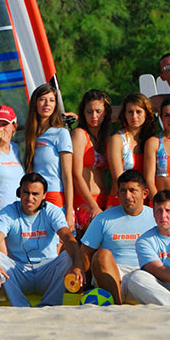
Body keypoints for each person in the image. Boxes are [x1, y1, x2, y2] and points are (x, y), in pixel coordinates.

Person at [0, 171, 84, 307]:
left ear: (44, 196)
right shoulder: (8, 212)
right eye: (26, 192)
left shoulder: (52, 211)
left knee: (68, 255)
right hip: (18, 271)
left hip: (47, 271)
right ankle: (20, 306)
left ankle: (50, 305)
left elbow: (67, 237)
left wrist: (78, 265)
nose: (29, 198)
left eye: (35, 194)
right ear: (19, 192)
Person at [80, 168, 155, 305]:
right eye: (123, 191)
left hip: (145, 277)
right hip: (113, 275)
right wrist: (85, 285)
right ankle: (117, 305)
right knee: (102, 255)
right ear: (117, 194)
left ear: (145, 193)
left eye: (132, 190)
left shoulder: (157, 217)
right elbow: (85, 252)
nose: (127, 196)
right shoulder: (103, 218)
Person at [23, 83, 74, 222]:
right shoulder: (31, 134)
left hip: (54, 194)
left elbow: (67, 175)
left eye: (51, 100)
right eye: (43, 99)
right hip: (32, 196)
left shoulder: (61, 133)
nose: (47, 104)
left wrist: (69, 210)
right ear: (35, 103)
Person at [71, 89, 113, 233]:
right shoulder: (80, 134)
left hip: (104, 200)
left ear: (106, 112)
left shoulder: (105, 137)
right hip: (86, 202)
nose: (94, 116)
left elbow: (126, 109)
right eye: (89, 111)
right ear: (83, 113)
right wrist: (93, 205)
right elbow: (76, 174)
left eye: (98, 111)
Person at [108, 93, 155, 195]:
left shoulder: (151, 140)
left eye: (138, 112)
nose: (134, 116)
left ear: (146, 114)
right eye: (130, 112)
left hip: (144, 200)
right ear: (124, 114)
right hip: (121, 199)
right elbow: (118, 178)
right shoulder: (117, 140)